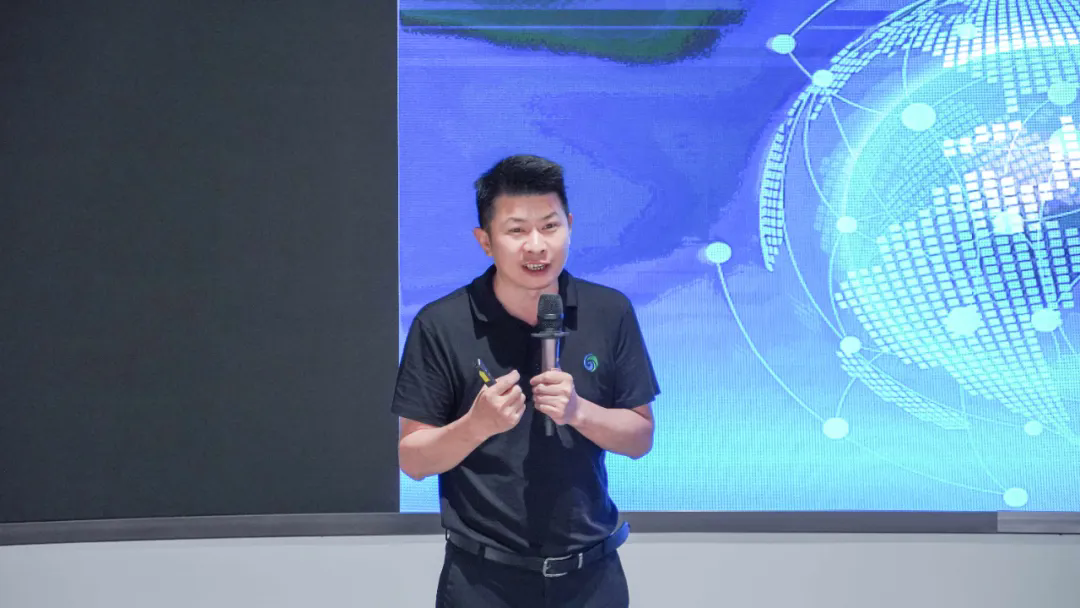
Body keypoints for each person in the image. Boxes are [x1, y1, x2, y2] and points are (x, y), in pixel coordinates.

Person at [391, 154, 660, 607]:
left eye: (550, 226)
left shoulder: (609, 312)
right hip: (483, 581)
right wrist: (476, 425)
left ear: (570, 226)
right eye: (516, 231)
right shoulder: (441, 324)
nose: (536, 246)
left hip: (591, 578)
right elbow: (413, 460)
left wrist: (579, 412)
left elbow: (639, 439)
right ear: (485, 240)